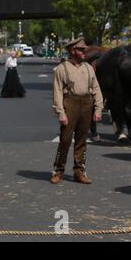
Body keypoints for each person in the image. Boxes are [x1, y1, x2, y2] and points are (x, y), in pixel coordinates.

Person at [50, 38, 103, 185]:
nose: (84, 52)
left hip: (86, 104)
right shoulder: (62, 68)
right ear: (73, 51)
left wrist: (98, 108)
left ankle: (79, 171)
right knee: (65, 140)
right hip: (70, 104)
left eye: (84, 49)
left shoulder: (88, 67)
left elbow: (96, 88)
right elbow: (58, 91)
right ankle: (58, 171)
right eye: (81, 49)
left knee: (81, 140)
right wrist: (60, 111)